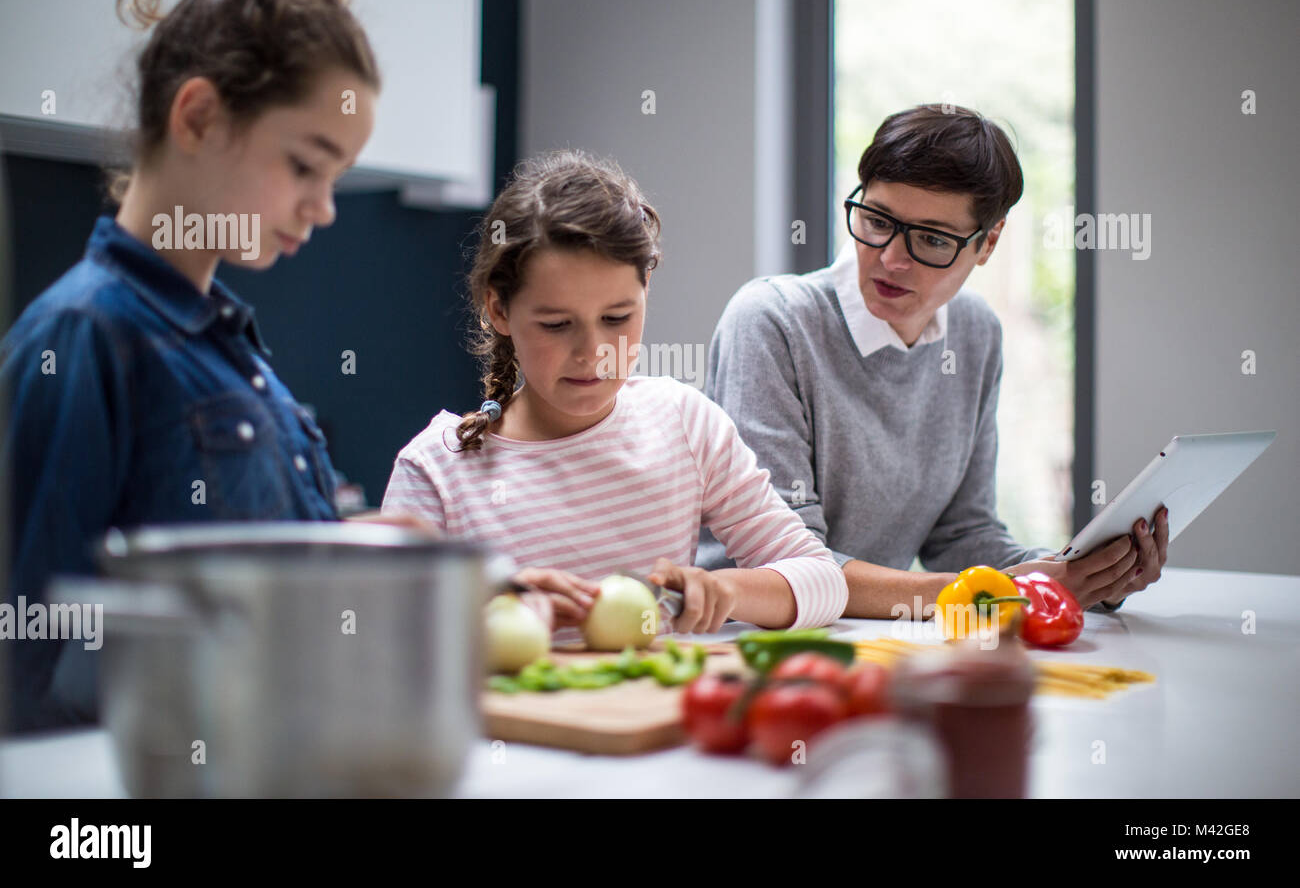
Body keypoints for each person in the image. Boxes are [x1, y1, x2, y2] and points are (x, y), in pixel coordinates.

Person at [1, 0, 380, 730]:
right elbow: (27, 660)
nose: (324, 208)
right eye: (307, 166)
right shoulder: (81, 336)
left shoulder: (234, 356)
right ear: (200, 116)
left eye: (337, 178)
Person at [700, 104, 1167, 618]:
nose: (891, 258)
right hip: (741, 636)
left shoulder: (974, 332)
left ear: (988, 242)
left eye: (931, 239)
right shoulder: (773, 322)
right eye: (877, 220)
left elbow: (962, 535)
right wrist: (1014, 591)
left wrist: (1087, 575)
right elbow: (789, 566)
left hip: (871, 637)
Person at [381, 151, 848, 633]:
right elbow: (384, 636)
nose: (593, 352)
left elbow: (824, 583)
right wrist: (498, 604)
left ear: (645, 288)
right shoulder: (436, 471)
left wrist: (728, 589)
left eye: (616, 318)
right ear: (499, 310)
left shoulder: (685, 422)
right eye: (557, 324)